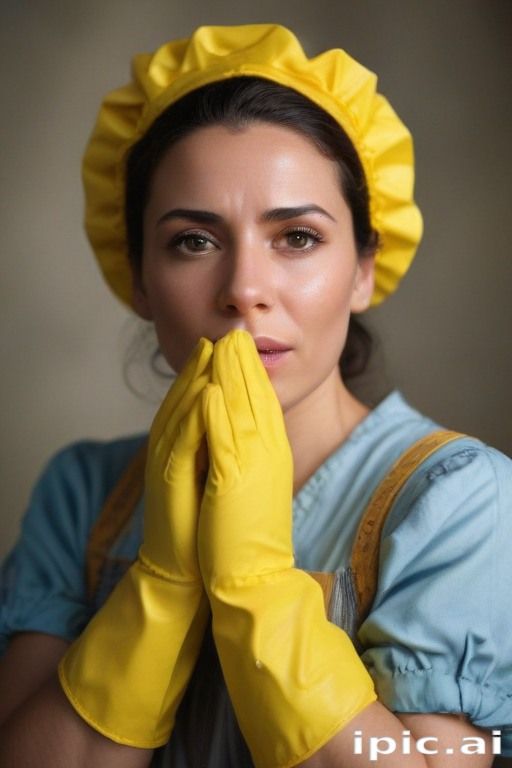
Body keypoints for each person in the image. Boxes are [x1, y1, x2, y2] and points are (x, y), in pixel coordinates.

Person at [0, 23, 510, 768]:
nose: (243, 290)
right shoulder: (83, 494)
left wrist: (259, 590)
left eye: (297, 237)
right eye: (193, 241)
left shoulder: (461, 499)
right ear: (139, 277)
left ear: (365, 266)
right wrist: (163, 583)